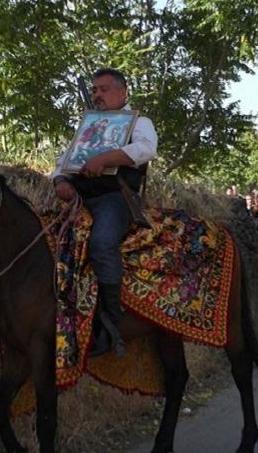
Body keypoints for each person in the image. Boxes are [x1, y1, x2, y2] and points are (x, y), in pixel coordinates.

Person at [50, 68, 157, 356]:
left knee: (101, 242)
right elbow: (62, 163)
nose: (97, 94)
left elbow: (146, 149)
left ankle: (112, 322)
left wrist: (107, 157)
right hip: (79, 200)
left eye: (104, 89)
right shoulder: (87, 125)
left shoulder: (139, 122)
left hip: (115, 197)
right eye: (94, 89)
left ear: (122, 93)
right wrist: (61, 182)